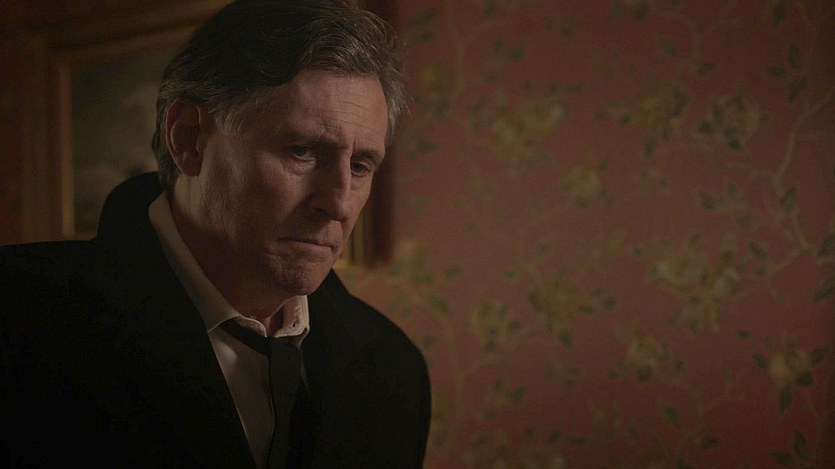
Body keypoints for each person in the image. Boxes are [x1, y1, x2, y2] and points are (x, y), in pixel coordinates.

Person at [0, 0, 430, 467]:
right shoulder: (19, 316)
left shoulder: (393, 368)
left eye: (361, 166)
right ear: (189, 140)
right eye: (302, 151)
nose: (341, 204)